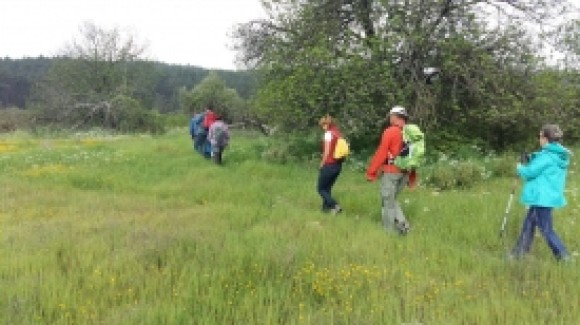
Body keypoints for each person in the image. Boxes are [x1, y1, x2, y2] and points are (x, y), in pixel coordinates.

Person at [511, 124, 571, 261]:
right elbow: (541, 158)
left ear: (545, 138)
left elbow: (530, 173)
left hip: (541, 198)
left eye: (540, 136)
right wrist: (530, 157)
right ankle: (519, 253)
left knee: (546, 229)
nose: (539, 139)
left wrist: (520, 167)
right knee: (529, 224)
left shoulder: (547, 156)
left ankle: (564, 256)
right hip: (545, 197)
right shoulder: (557, 153)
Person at [366, 105, 411, 235]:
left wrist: (371, 171)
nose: (390, 118)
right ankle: (403, 224)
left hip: (392, 171)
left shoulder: (391, 131)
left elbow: (382, 152)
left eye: (390, 116)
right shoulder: (410, 132)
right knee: (392, 199)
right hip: (406, 172)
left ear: (394, 117)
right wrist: (413, 176)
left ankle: (389, 232)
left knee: (388, 202)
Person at [317, 115, 344, 214]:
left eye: (323, 125)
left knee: (320, 189)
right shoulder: (338, 133)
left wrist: (322, 163)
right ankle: (325, 209)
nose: (322, 127)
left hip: (329, 165)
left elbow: (327, 151)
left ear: (327, 124)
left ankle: (335, 205)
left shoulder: (328, 134)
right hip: (338, 165)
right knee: (327, 188)